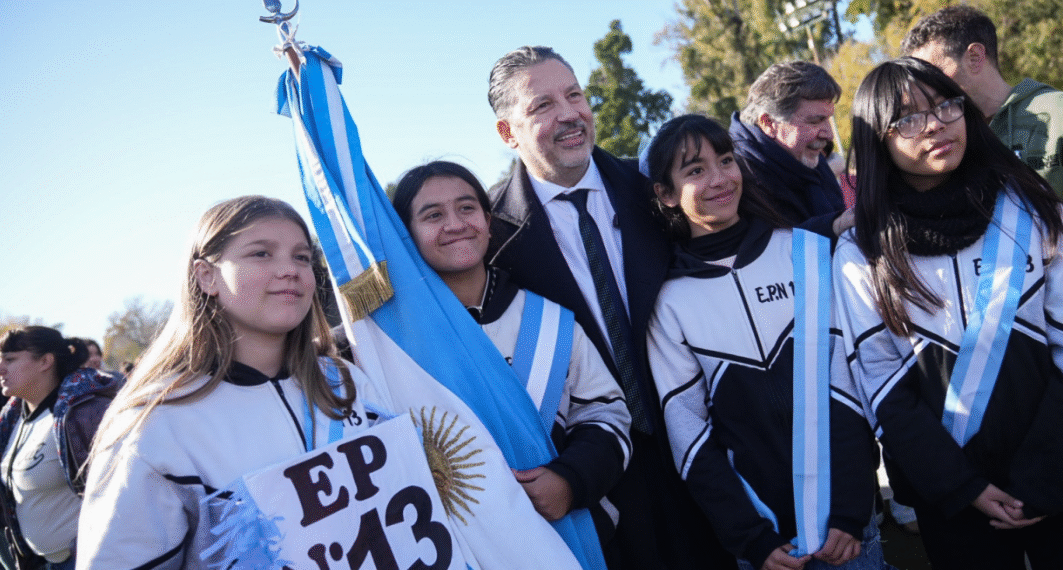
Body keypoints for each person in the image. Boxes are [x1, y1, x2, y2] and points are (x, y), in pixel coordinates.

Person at [836, 57, 1063, 569]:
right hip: (953, 497)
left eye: (945, 105)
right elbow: (881, 383)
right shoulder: (860, 250)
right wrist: (965, 486)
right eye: (909, 117)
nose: (937, 123)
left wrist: (1043, 478)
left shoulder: (1032, 206)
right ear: (878, 139)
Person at [486, 45, 734, 569]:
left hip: (702, 453)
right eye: (543, 105)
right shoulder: (489, 236)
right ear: (509, 133)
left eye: (574, 95)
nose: (570, 113)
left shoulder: (655, 192)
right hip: (590, 483)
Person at [76, 196, 387, 569]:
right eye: (261, 254)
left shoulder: (347, 381)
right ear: (206, 276)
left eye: (302, 257)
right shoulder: (152, 422)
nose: (289, 269)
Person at [643, 114, 884, 570]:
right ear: (666, 194)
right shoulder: (669, 300)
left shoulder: (805, 252)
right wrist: (750, 538)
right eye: (694, 170)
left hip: (848, 528)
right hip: (764, 541)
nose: (719, 179)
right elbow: (689, 438)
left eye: (726, 160)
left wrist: (852, 510)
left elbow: (850, 390)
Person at [391, 159, 632, 540]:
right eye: (433, 215)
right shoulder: (394, 343)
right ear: (407, 236)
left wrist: (570, 481)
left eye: (467, 208)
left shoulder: (551, 321)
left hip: (566, 536)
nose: (455, 224)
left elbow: (609, 414)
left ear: (488, 222)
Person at [902, 4, 1063, 276]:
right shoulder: (944, 142)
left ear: (975, 57)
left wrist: (1038, 257)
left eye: (934, 73)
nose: (927, 88)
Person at [0, 327, 117, 570]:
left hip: (88, 560)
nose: (1, 368)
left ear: (45, 361)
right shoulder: (12, 419)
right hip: (38, 562)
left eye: (10, 360)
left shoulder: (85, 413)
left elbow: (123, 490)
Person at [730, 61, 853, 237]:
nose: (829, 135)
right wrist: (834, 226)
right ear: (769, 123)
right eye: (815, 121)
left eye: (828, 119)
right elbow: (769, 254)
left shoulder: (807, 158)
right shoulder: (736, 181)